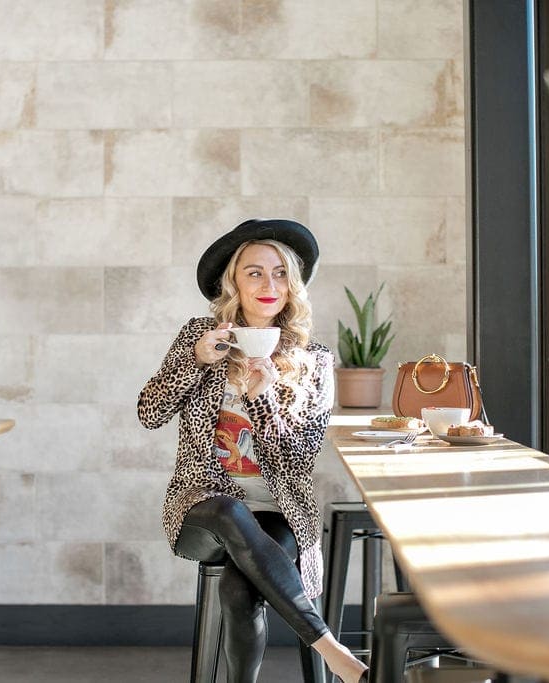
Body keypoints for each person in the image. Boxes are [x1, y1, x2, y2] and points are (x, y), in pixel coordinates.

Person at [137, 219, 368, 683]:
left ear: (293, 285)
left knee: (241, 591)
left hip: (279, 512)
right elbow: (150, 412)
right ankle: (333, 651)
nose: (270, 284)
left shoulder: (314, 359)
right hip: (201, 506)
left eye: (280, 273)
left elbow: (298, 460)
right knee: (228, 511)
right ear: (234, 283)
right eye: (255, 273)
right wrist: (196, 361)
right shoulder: (199, 337)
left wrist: (262, 401)